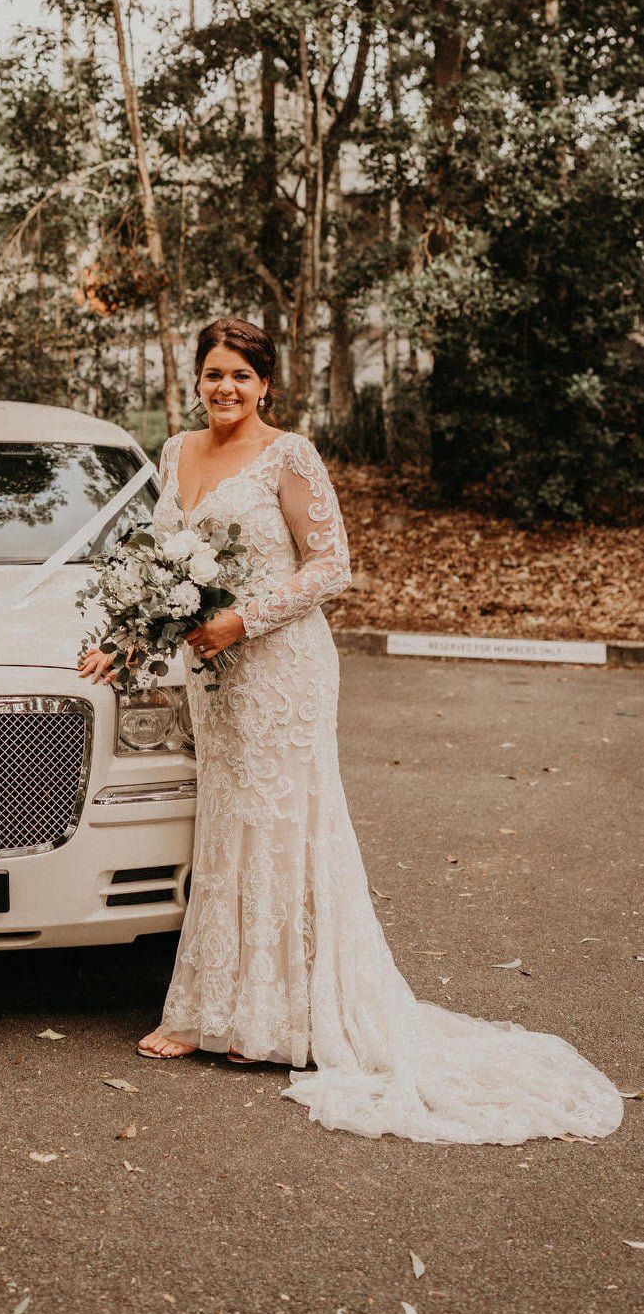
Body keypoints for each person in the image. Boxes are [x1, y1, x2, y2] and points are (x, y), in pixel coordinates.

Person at [81, 316, 622, 1144]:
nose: (224, 387)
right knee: (225, 824)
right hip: (211, 676)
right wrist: (123, 639)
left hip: (280, 665)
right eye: (212, 373)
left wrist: (243, 621)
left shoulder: (290, 454)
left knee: (283, 824)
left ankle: (286, 1020)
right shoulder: (175, 452)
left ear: (266, 384)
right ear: (195, 378)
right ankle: (206, 1009)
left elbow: (330, 565)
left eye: (240, 375)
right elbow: (163, 570)